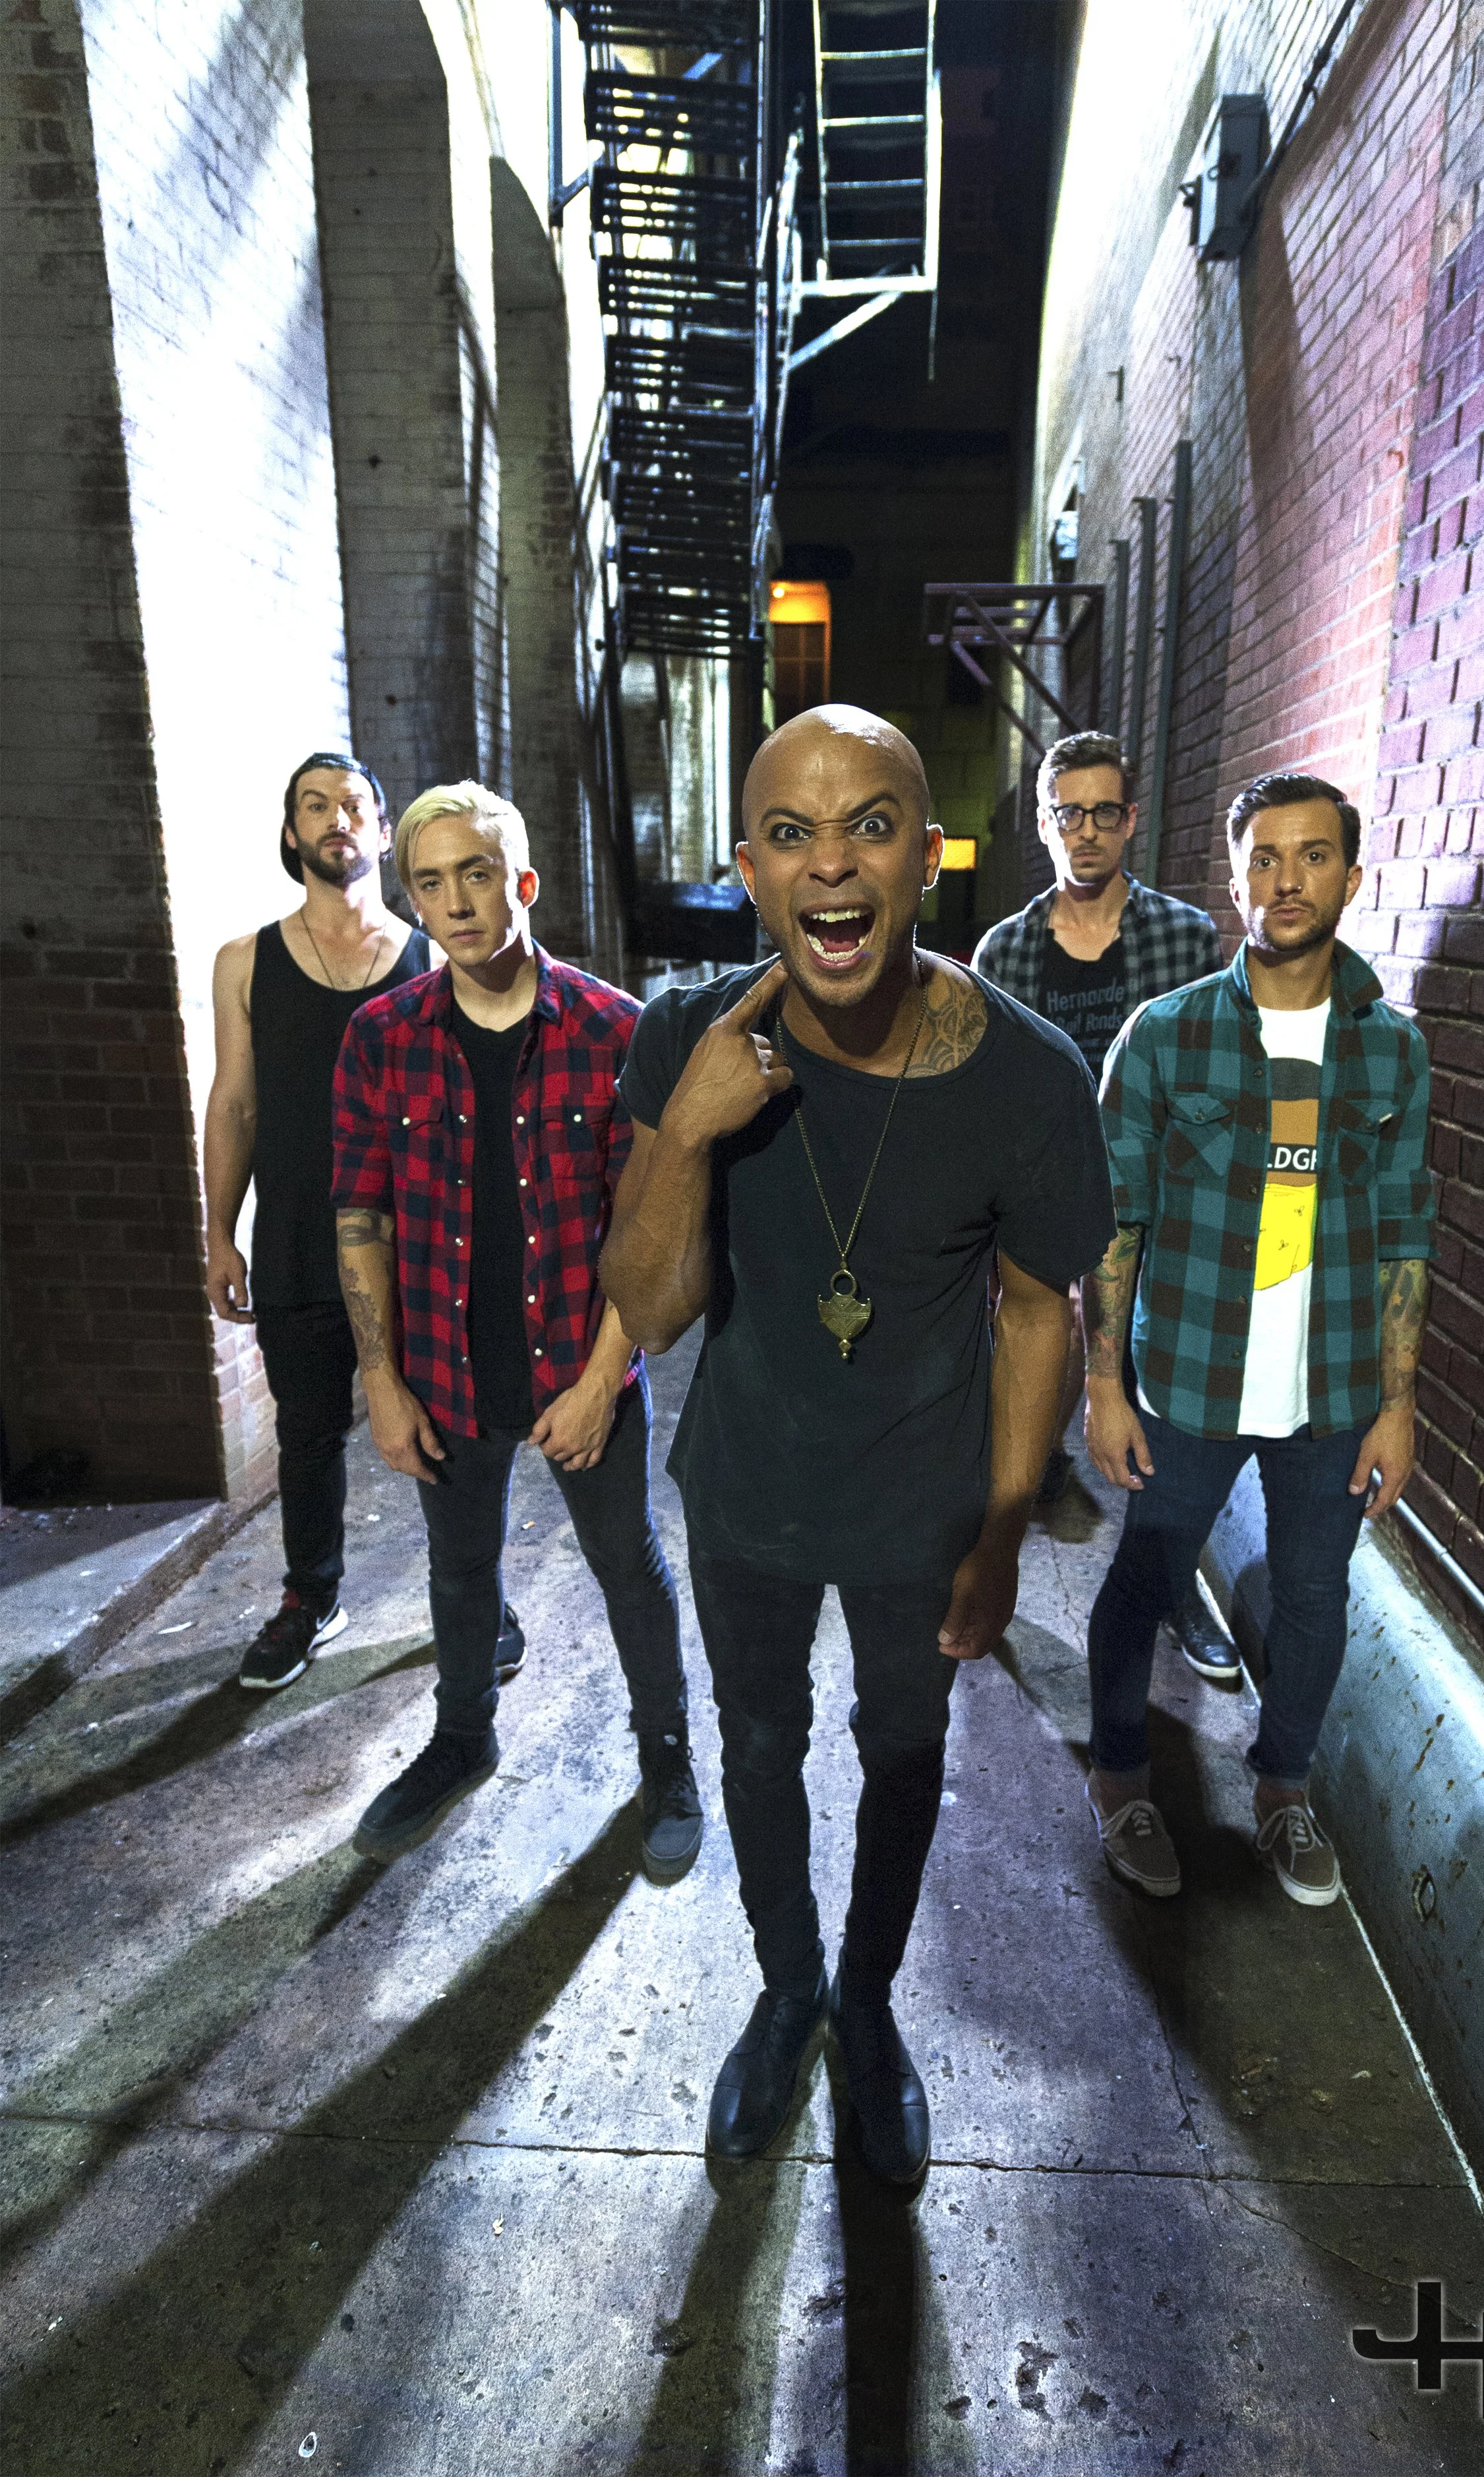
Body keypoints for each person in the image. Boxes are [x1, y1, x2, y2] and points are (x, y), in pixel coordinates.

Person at [601, 705, 1113, 2184]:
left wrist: (1003, 1528)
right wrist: (690, 1130)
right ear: (750, 870)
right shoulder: (684, 1039)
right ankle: (786, 1994)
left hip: (921, 1511)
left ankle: (870, 2005)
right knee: (758, 1746)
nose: (830, 863)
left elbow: (1039, 1313)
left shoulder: (1025, 1077)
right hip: (747, 1491)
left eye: (869, 826)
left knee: (901, 1750)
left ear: (927, 857)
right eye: (791, 834)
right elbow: (649, 1309)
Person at [330, 782, 699, 1879]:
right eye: (430, 883)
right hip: (444, 1369)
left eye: (476, 875)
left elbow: (648, 1234)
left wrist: (601, 1381)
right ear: (413, 899)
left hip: (582, 1365)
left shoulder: (615, 1030)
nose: (455, 902)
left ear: (522, 884)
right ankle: (463, 1737)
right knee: (460, 1568)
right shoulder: (380, 1037)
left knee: (627, 1564)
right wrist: (381, 1378)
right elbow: (360, 1215)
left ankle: (667, 1755)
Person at [1083, 772, 1435, 1907]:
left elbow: (1404, 1234)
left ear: (1352, 876)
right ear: (1233, 883)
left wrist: (1398, 1404)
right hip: (1189, 1374)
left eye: (1311, 856)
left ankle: (1283, 1792)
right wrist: (1103, 1384)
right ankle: (1121, 1779)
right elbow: (1116, 1223)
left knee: (1317, 1599)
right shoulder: (1166, 1037)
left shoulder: (1392, 1051)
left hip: (1332, 1389)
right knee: (1144, 1580)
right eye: (1263, 860)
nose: (1287, 880)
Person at [203, 751, 507, 1689]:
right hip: (297, 1238)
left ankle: (477, 1596)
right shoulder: (246, 961)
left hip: (416, 1247)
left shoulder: (431, 957)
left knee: (446, 1430)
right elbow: (236, 1104)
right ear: (291, 832)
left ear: (382, 833)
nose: (335, 818)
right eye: (314, 805)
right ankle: (311, 1597)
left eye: (353, 805)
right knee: (307, 1435)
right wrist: (218, 1233)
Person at [972, 730, 1232, 1679]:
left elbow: (1210, 1077)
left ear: (1130, 822)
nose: (1085, 831)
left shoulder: (1185, 938)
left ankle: (1172, 1584)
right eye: (1067, 813)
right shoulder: (1005, 950)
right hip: (1041, 1189)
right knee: (1025, 1370)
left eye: (1103, 812)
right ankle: (993, 1557)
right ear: (1047, 827)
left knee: (1159, 1400)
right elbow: (987, 1089)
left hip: (1154, 1194)